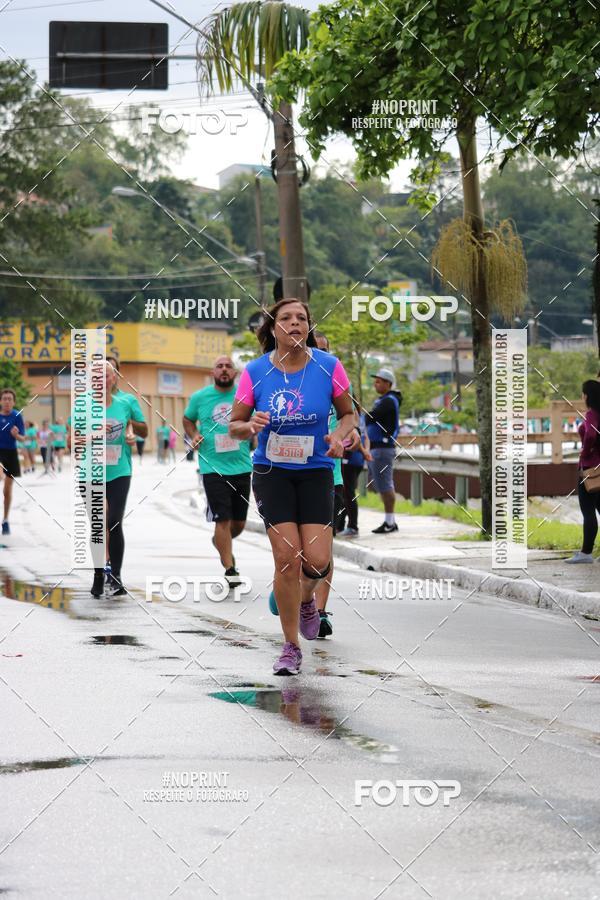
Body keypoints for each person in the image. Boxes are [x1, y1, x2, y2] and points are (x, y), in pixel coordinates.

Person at [230, 299, 354, 675]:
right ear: (272, 329)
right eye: (286, 318)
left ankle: (305, 602)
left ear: (309, 326)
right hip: (272, 473)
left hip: (317, 469)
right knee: (286, 559)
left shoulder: (328, 366)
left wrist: (339, 435)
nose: (295, 323)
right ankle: (289, 647)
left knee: (316, 561)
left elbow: (349, 414)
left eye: (301, 318)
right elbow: (233, 424)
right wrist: (249, 426)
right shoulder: (254, 372)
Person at [71, 360, 148, 597]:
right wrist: (93, 433)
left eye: (105, 375)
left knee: (113, 522)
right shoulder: (81, 405)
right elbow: (71, 442)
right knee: (99, 523)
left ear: (113, 379)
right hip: (90, 472)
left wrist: (133, 435)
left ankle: (116, 575)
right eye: (95, 376)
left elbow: (144, 429)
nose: (100, 380)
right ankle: (97, 574)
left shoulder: (126, 402)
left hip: (119, 470)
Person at [183, 356, 253, 588]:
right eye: (219, 366)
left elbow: (255, 420)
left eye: (228, 367)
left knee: (238, 524)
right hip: (212, 467)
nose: (224, 370)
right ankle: (230, 569)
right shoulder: (200, 397)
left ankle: (221, 543)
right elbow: (187, 419)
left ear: (235, 373)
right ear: (213, 371)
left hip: (242, 466)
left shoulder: (245, 396)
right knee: (222, 518)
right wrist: (193, 435)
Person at [566, 379, 600, 564]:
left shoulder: (591, 414)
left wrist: (585, 452)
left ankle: (586, 553)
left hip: (589, 469)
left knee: (588, 510)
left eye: (583, 393)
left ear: (587, 396)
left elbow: (591, 434)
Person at [365, 367, 401, 534]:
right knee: (381, 485)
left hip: (383, 448)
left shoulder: (388, 400)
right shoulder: (384, 399)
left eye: (379, 381)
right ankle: (389, 520)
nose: (375, 384)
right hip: (377, 448)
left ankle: (390, 521)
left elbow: (370, 417)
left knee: (385, 485)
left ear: (388, 383)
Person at [338, 406, 372, 537]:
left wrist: (364, 453)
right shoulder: (360, 415)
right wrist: (366, 452)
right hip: (356, 459)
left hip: (351, 457)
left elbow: (356, 438)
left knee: (348, 493)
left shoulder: (350, 414)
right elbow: (366, 437)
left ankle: (352, 526)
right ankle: (340, 525)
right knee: (347, 492)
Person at [0, 388, 26, 534]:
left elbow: (23, 438)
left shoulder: (17, 416)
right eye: (5, 399)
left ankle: (5, 520)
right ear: (1, 401)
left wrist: (16, 435)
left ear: (14, 402)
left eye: (10, 399)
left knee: (7, 491)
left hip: (11, 453)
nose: (7, 401)